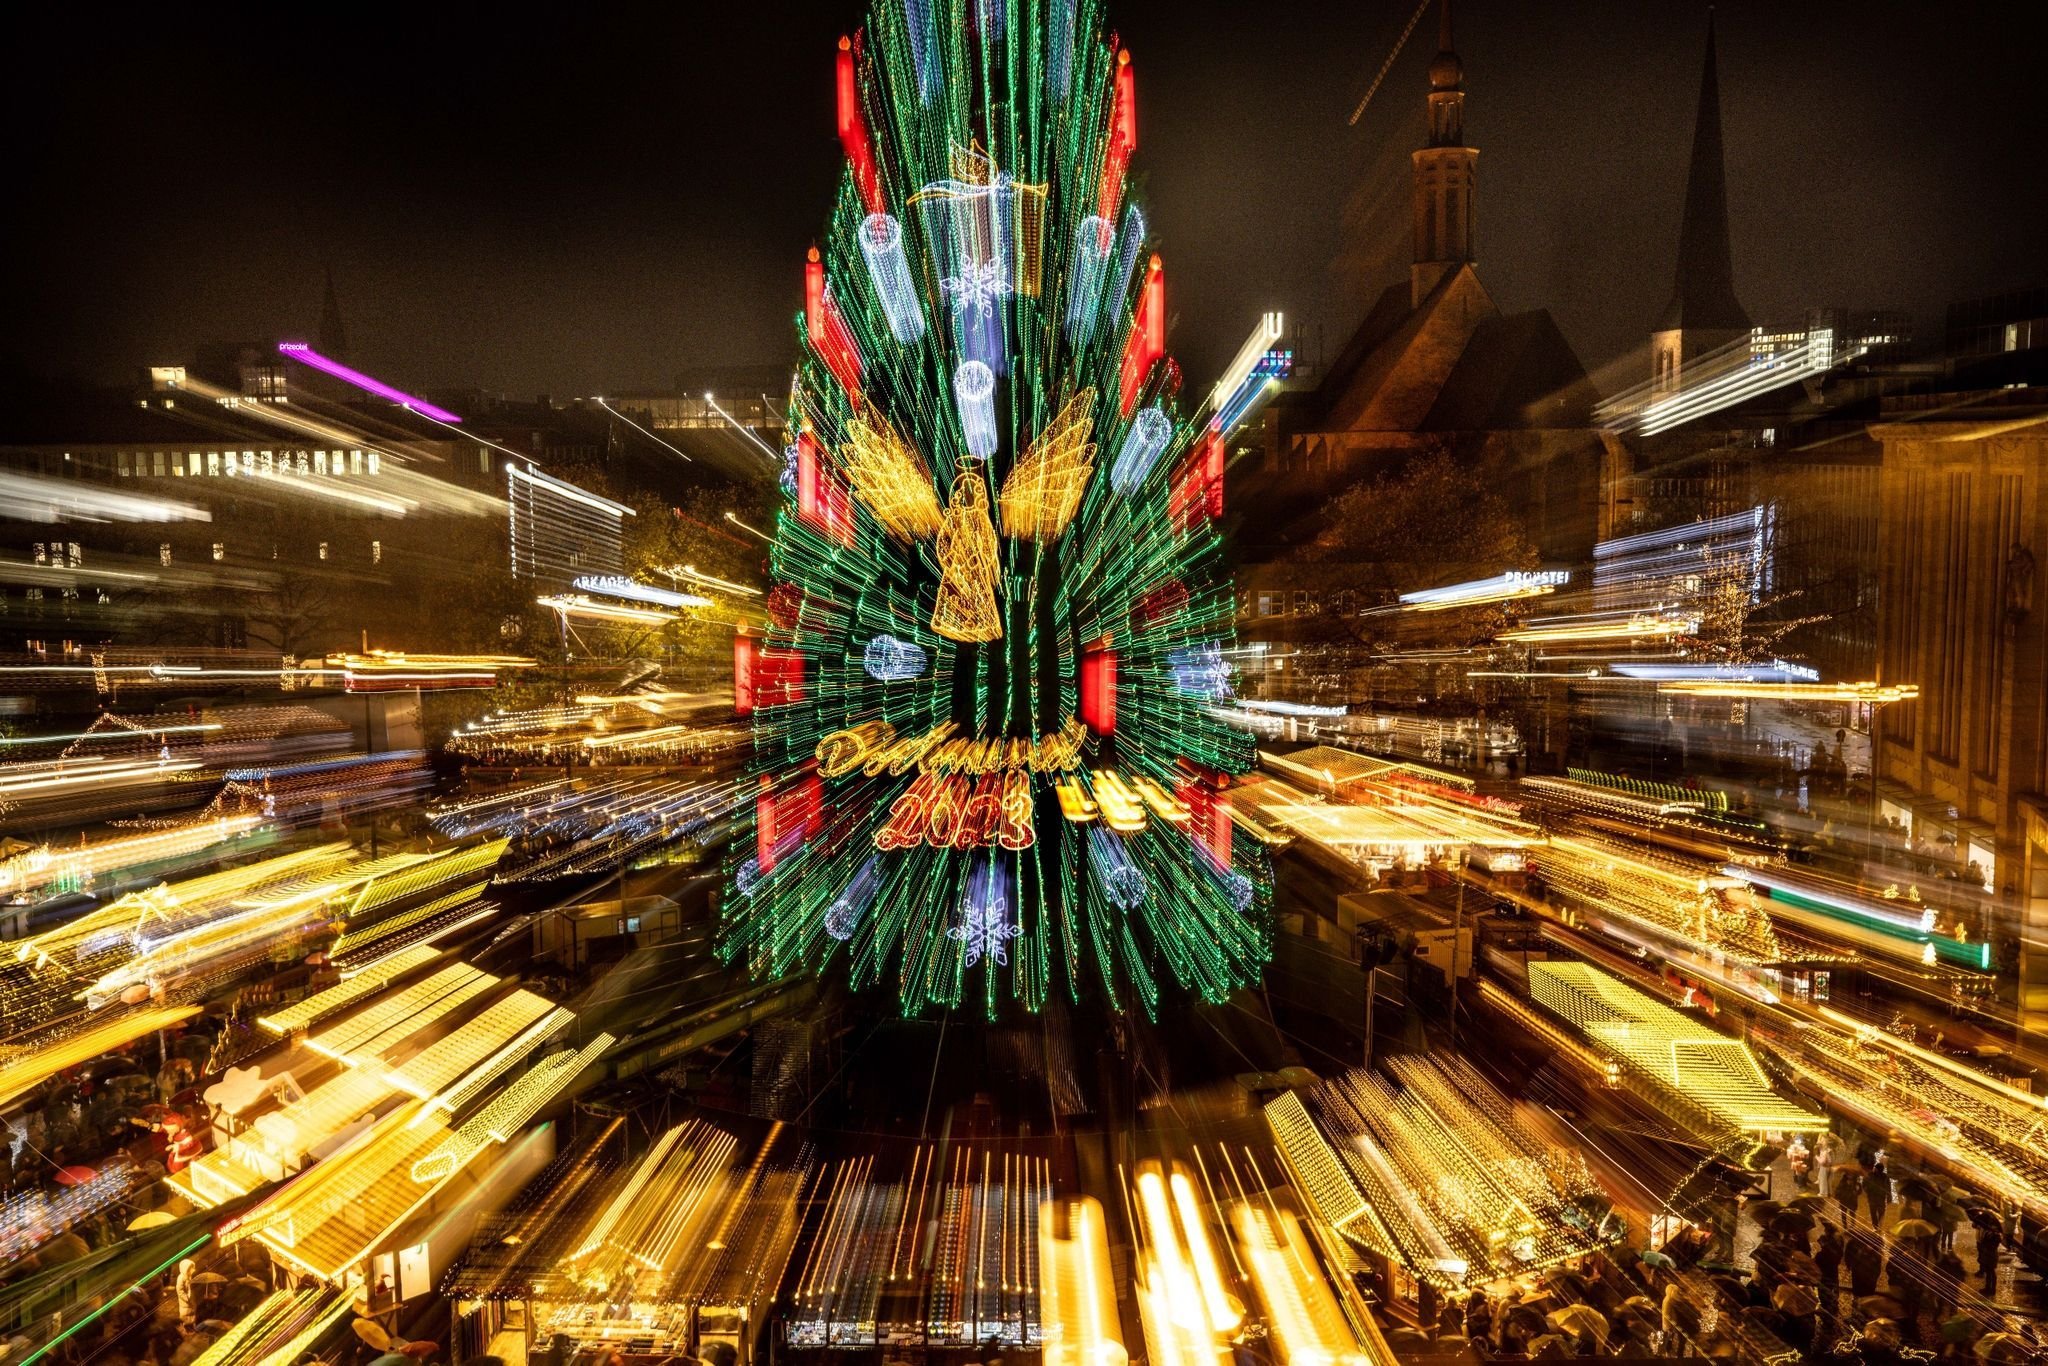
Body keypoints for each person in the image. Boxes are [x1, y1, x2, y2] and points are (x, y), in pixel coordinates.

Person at [1866, 1159, 1893, 1229]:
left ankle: (1879, 1226)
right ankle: (1875, 1226)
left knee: (1881, 1213)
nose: (1874, 1169)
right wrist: (1868, 1190)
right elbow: (1865, 1184)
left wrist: (1889, 1198)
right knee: (1873, 1213)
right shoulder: (1870, 1175)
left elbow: (1888, 1188)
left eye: (1876, 1168)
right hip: (1872, 1198)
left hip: (1881, 1198)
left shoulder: (1885, 1177)